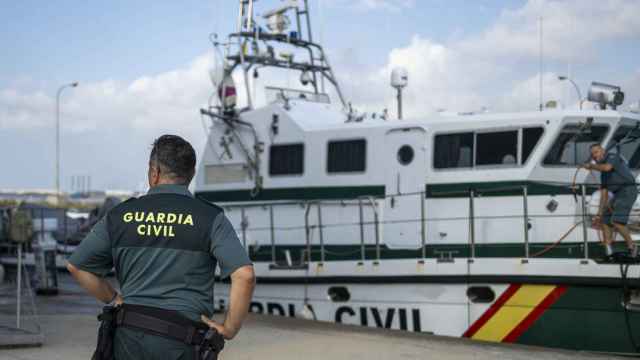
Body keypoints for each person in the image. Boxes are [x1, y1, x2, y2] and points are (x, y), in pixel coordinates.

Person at [66, 134, 255, 359]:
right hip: (184, 342)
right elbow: (244, 275)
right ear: (191, 174)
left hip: (129, 338)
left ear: (154, 172)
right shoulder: (210, 217)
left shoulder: (120, 216)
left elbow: (77, 266)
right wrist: (230, 328)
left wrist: (114, 298)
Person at [582, 144, 638, 257]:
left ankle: (632, 247)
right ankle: (609, 250)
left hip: (628, 190)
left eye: (596, 152)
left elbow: (607, 167)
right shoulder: (604, 175)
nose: (594, 156)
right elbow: (604, 194)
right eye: (592, 154)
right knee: (605, 219)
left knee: (617, 221)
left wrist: (591, 166)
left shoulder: (613, 157)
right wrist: (599, 213)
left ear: (602, 151)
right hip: (618, 193)